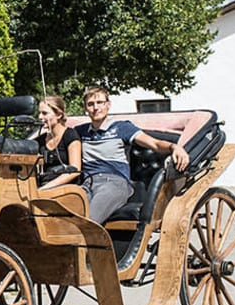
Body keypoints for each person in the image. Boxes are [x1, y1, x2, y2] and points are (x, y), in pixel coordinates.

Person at [78, 85, 190, 224]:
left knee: (88, 221)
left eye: (100, 102)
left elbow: (154, 144)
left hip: (114, 183)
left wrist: (174, 147)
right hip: (86, 184)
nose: (96, 107)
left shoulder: (121, 128)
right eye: (90, 104)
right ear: (85, 108)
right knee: (63, 216)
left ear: (108, 105)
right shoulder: (80, 132)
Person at [36, 95, 81, 188]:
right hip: (43, 186)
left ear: (59, 115)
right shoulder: (40, 140)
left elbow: (75, 170)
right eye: (39, 113)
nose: (40, 117)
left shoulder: (70, 135)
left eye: (44, 113)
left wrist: (45, 188)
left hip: (66, 188)